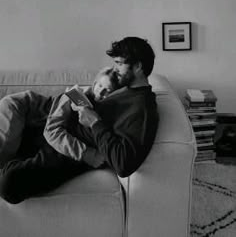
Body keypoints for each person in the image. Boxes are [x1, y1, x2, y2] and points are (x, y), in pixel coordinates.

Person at [0, 36, 158, 204]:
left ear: (138, 66)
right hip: (57, 129)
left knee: (8, 183)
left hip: (72, 149)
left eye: (120, 64)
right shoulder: (124, 87)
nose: (115, 68)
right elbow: (90, 93)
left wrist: (94, 122)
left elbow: (124, 163)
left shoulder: (142, 108)